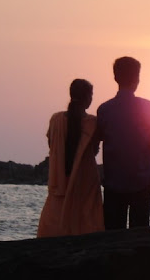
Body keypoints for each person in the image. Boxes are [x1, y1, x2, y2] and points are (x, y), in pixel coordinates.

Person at [96, 57, 150, 229]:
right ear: (137, 79)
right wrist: (142, 147)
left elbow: (96, 142)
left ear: (115, 78)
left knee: (112, 233)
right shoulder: (148, 107)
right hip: (142, 180)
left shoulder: (104, 109)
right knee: (140, 230)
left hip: (114, 182)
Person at [37, 79, 104, 237]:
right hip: (85, 184)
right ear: (87, 97)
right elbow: (94, 151)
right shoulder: (93, 123)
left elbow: (52, 145)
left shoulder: (55, 120)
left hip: (59, 181)